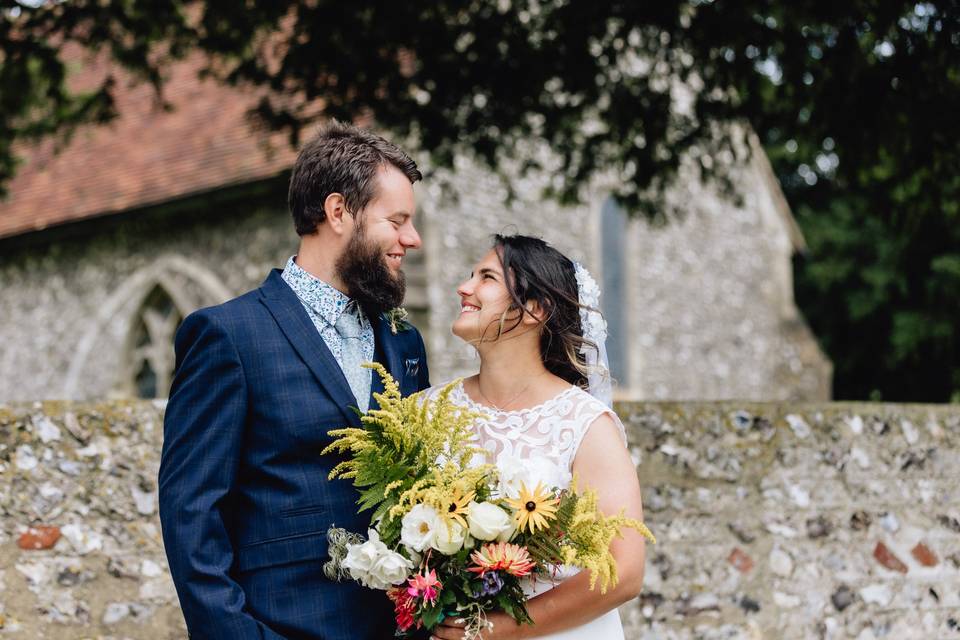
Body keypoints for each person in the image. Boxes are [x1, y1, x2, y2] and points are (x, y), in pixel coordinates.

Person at [158, 120, 431, 640]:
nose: (411, 239)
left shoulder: (404, 342)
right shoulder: (228, 336)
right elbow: (191, 515)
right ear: (337, 212)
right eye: (396, 221)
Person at [429, 234, 646, 640]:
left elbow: (625, 572)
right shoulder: (428, 410)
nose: (464, 287)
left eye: (486, 278)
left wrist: (493, 629)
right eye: (469, 275)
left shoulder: (584, 424)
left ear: (534, 309)